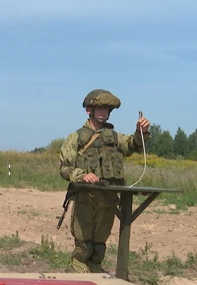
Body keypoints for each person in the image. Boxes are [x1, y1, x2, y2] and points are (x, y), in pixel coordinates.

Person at [59, 89, 150, 273]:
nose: (103, 112)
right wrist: (81, 175)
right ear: (89, 111)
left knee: (99, 247)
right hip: (85, 198)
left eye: (106, 109)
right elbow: (64, 168)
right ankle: (77, 284)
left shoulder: (114, 137)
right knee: (84, 247)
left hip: (108, 200)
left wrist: (141, 132)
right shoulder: (76, 138)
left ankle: (94, 279)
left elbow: (133, 145)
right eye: (99, 108)